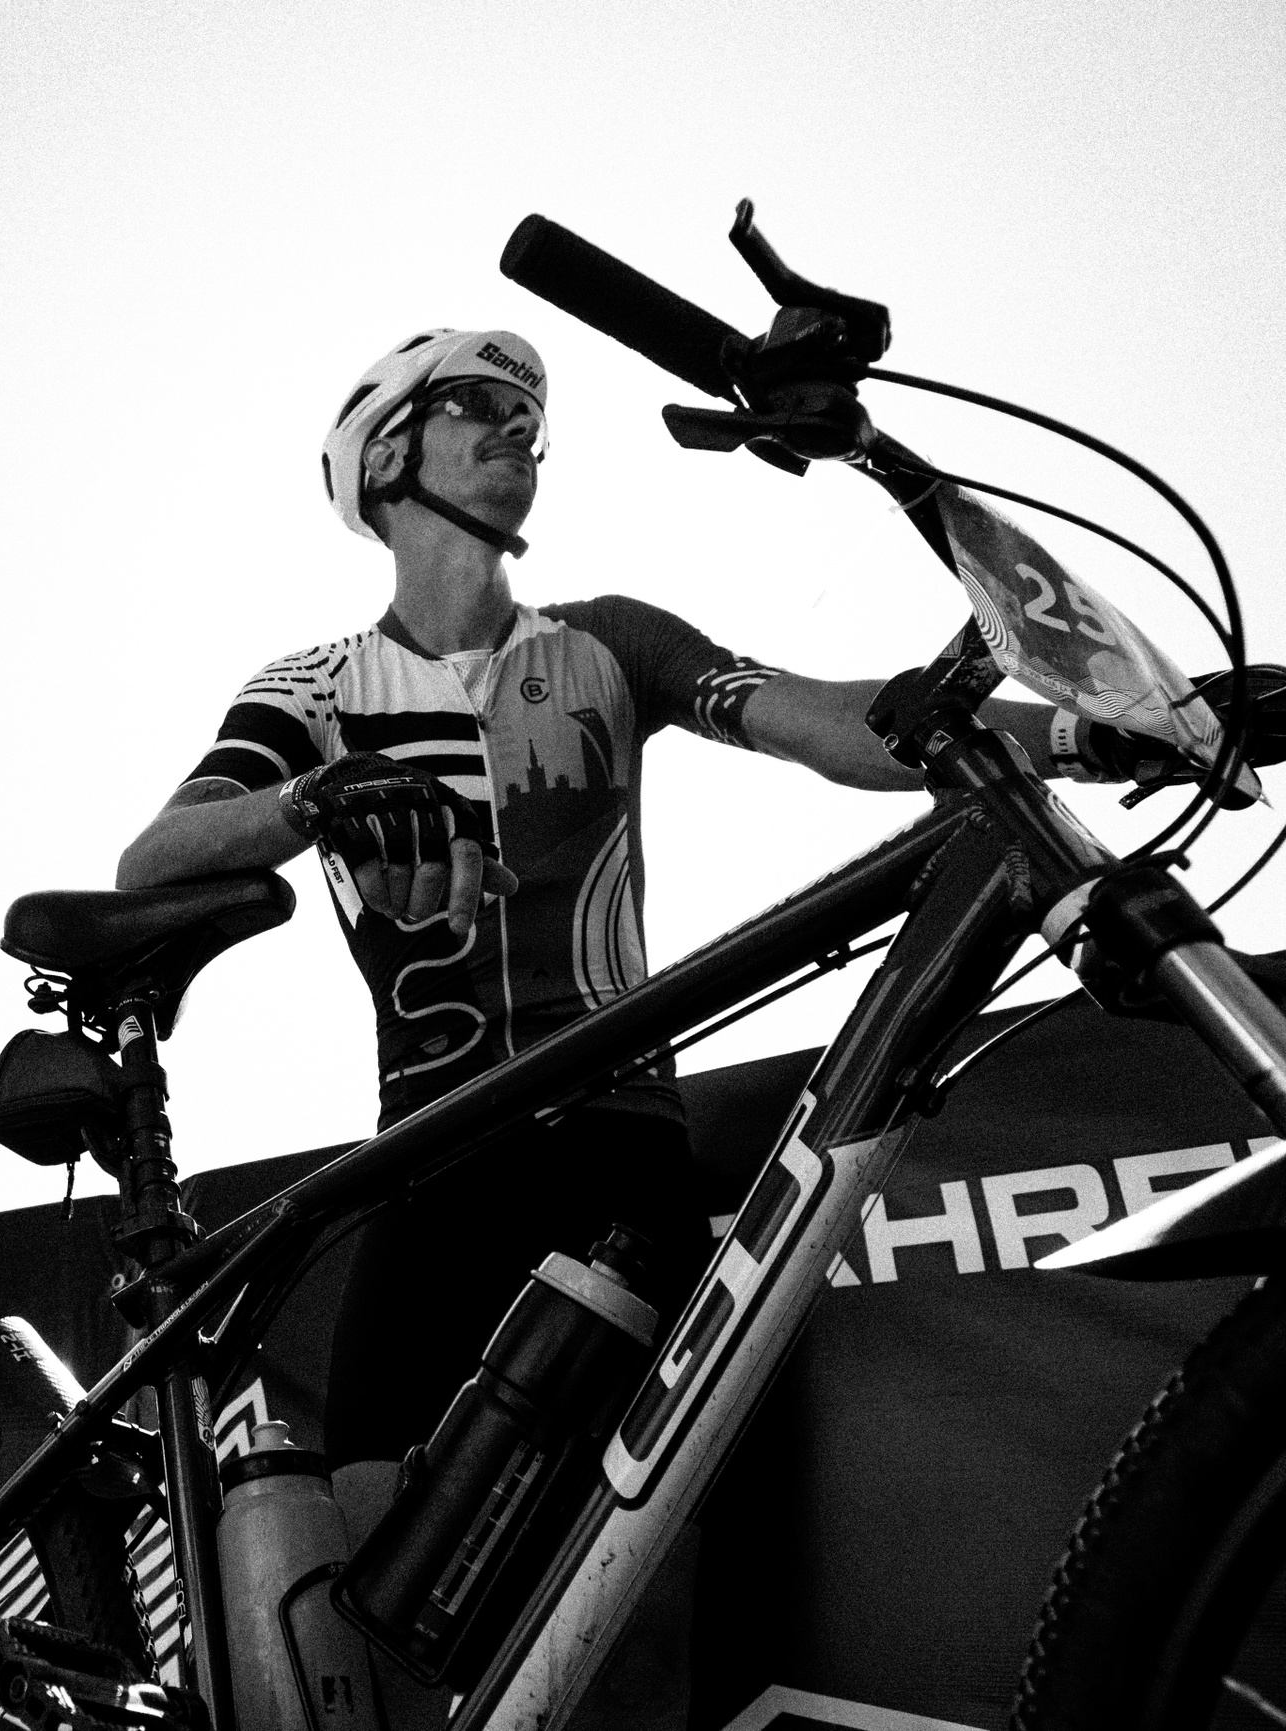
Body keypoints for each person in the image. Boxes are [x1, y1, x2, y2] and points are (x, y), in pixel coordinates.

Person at [114, 326, 1186, 1715]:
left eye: (531, 415)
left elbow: (831, 724)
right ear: (385, 457)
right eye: (478, 404)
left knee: (626, 1605)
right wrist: (313, 800)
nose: (518, 429)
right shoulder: (315, 689)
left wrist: (1105, 731)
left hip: (612, 1155)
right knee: (377, 1604)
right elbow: (155, 856)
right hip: (427, 1164)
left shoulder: (607, 642)